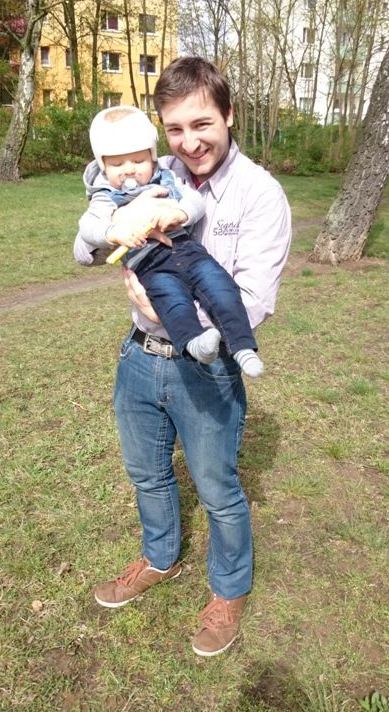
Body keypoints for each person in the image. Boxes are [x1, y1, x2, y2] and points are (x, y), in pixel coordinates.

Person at [73, 57, 291, 657]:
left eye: (201, 124)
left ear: (228, 115)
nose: (189, 143)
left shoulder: (260, 194)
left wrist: (171, 311)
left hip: (207, 368)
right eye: (174, 129)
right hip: (139, 357)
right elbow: (88, 247)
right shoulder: (153, 170)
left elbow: (251, 302)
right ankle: (160, 556)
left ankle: (229, 590)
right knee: (147, 473)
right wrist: (110, 228)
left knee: (217, 489)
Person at [78, 106, 264, 376]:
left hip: (188, 252)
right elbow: (87, 228)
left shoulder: (166, 177)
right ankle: (193, 343)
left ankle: (243, 347)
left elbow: (194, 200)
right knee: (172, 300)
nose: (129, 171)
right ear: (103, 165)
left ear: (152, 157)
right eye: (117, 164)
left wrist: (180, 213)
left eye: (138, 161)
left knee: (221, 286)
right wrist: (114, 231)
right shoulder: (105, 196)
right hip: (150, 265)